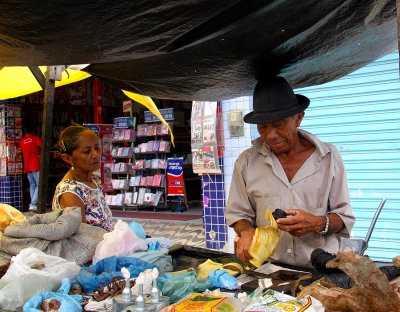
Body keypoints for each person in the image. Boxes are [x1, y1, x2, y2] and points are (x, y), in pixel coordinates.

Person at [225, 77, 355, 268]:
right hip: (269, 270)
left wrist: (317, 223)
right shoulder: (246, 162)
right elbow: (238, 214)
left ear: (299, 118)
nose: (270, 135)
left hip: (322, 270)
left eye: (278, 125)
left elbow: (344, 218)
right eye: (263, 126)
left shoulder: (329, 157)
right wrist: (246, 232)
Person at [52, 124, 113, 232]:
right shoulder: (70, 192)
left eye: (97, 148)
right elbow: (82, 238)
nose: (95, 154)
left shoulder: (91, 181)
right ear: (67, 158)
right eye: (86, 151)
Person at [19, 126, 42, 211]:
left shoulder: (21, 141)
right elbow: (41, 146)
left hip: (27, 166)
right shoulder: (35, 138)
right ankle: (33, 204)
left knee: (32, 185)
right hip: (35, 164)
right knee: (39, 185)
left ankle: (33, 205)